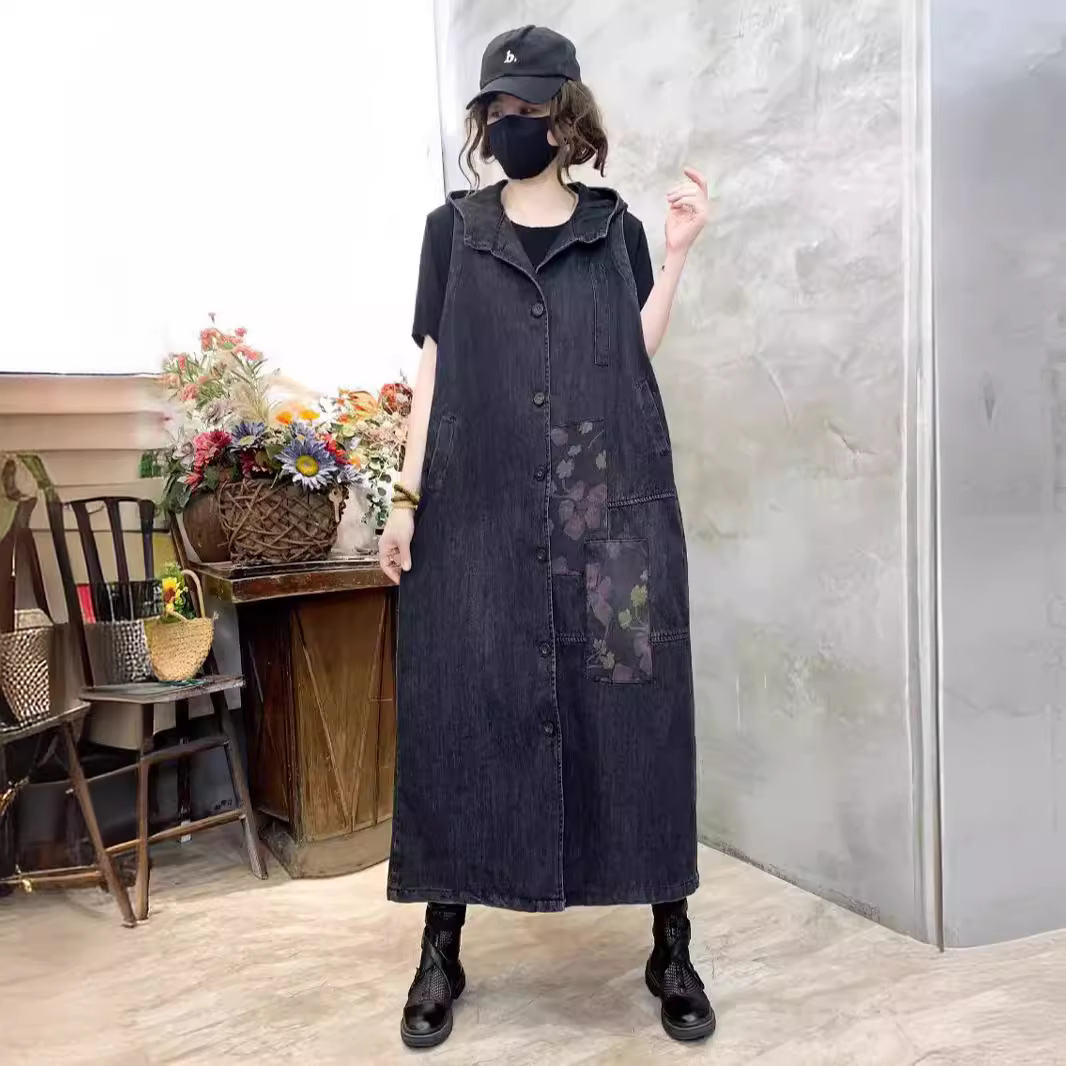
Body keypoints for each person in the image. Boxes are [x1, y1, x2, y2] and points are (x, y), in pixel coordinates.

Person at [379, 24, 713, 1050]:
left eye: (530, 110)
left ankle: (669, 942)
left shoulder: (615, 230)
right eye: (499, 111)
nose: (513, 126)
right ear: (484, 122)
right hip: (476, 511)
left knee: (635, 713)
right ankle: (441, 945)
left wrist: (679, 253)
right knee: (459, 711)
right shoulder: (452, 231)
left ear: (567, 120)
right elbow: (433, 368)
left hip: (601, 510)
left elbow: (633, 348)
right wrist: (405, 497)